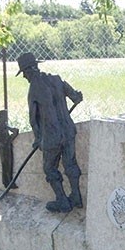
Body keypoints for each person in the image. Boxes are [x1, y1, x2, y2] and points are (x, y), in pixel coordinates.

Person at [16, 52, 83, 213]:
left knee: (49, 168)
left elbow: (33, 120)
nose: (24, 77)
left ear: (29, 70)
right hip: (68, 131)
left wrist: (38, 138)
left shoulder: (33, 90)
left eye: (24, 73)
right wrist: (77, 96)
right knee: (70, 163)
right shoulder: (57, 79)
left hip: (52, 137)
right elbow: (76, 97)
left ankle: (62, 201)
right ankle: (76, 196)